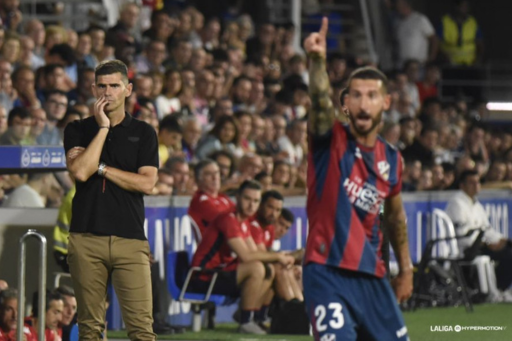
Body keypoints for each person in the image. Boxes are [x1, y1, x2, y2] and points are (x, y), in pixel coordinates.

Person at [303, 18, 412, 341]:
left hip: (371, 275)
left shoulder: (391, 159)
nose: (364, 103)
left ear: (386, 103)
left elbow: (395, 217)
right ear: (346, 104)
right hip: (325, 271)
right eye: (356, 96)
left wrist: (405, 269)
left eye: (372, 96)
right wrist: (317, 61)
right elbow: (320, 102)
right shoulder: (329, 141)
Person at [63, 59, 158, 341]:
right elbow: (80, 171)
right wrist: (103, 128)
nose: (108, 92)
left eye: (114, 86)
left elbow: (147, 183)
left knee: (142, 330)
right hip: (86, 237)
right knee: (90, 329)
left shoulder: (143, 132)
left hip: (130, 239)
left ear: (128, 89)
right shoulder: (77, 129)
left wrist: (101, 168)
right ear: (93, 89)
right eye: (102, 86)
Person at [190, 180, 294, 334]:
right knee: (256, 268)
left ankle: (257, 317)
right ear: (237, 197)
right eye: (247, 199)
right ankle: (245, 321)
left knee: (268, 268)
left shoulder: (242, 221)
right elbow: (246, 256)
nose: (251, 205)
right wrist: (278, 256)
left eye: (256, 201)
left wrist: (280, 257)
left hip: (219, 274)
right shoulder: (228, 219)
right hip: (203, 276)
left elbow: (257, 253)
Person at [445, 170, 512, 292]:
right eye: (472, 182)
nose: (476, 185)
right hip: (467, 250)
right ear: (462, 185)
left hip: (481, 246)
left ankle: (499, 288)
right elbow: (462, 236)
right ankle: (496, 290)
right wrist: (487, 244)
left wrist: (502, 240)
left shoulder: (476, 204)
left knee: (509, 249)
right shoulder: (457, 203)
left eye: (478, 182)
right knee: (509, 256)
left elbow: (487, 229)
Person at [188, 159, 234, 241]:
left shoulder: (223, 198)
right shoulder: (200, 201)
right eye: (209, 174)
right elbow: (227, 222)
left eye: (216, 173)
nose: (215, 177)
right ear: (198, 179)